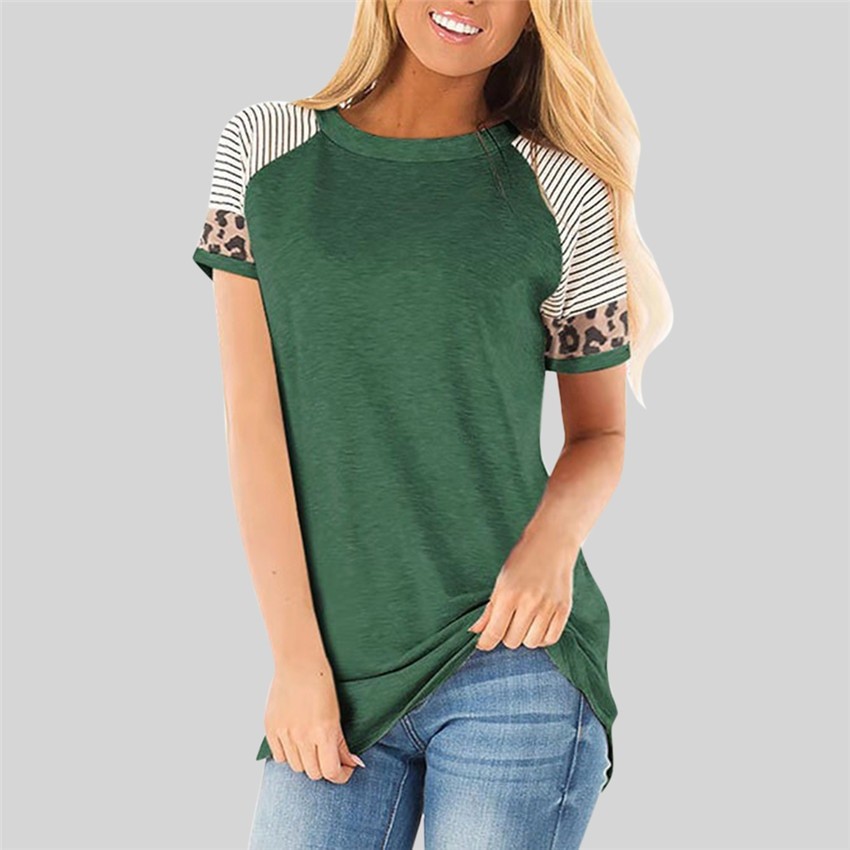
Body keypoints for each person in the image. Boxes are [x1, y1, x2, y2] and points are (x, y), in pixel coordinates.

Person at [191, 1, 671, 847]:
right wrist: (297, 664)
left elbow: (599, 434)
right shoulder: (266, 149)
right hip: (335, 674)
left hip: (515, 664)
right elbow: (251, 423)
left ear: (537, 14)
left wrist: (548, 550)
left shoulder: (559, 189)